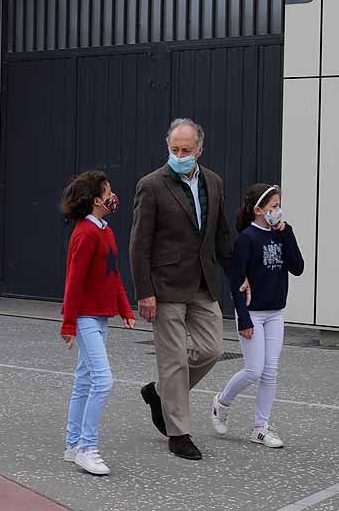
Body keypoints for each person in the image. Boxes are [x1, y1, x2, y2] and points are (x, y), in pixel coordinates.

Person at [129, 118, 236, 461]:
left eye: (186, 150)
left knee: (212, 349)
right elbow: (139, 244)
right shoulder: (152, 185)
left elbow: (221, 235)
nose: (179, 155)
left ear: (199, 150)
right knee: (173, 360)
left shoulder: (214, 183)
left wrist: (238, 273)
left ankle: (160, 392)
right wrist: (144, 291)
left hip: (203, 283)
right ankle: (179, 434)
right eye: (174, 149)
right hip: (165, 287)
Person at [211, 184, 304, 448]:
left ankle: (261, 427)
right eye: (273, 207)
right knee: (254, 370)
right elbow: (236, 282)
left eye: (279, 206)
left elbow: (297, 267)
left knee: (271, 371)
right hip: (253, 314)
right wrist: (244, 318)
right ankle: (222, 401)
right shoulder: (247, 239)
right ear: (259, 210)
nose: (278, 211)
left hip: (275, 313)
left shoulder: (283, 233)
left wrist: (285, 235)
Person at [59, 170, 135, 476]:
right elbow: (73, 281)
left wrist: (125, 309)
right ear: (96, 200)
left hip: (100, 317)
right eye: (108, 191)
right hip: (86, 318)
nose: (112, 196)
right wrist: (68, 324)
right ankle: (87, 448)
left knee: (85, 380)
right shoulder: (86, 233)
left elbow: (113, 274)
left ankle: (73, 444)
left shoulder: (105, 231)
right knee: (103, 381)